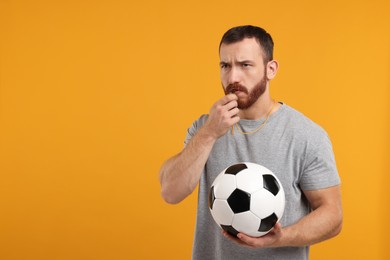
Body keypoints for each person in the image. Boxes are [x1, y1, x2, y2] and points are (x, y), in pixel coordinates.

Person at [159, 25, 342, 260]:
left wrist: (282, 237)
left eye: (245, 65)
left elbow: (333, 216)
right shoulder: (206, 127)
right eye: (225, 66)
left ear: (271, 69)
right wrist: (209, 133)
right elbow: (170, 192)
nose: (233, 77)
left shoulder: (306, 135)